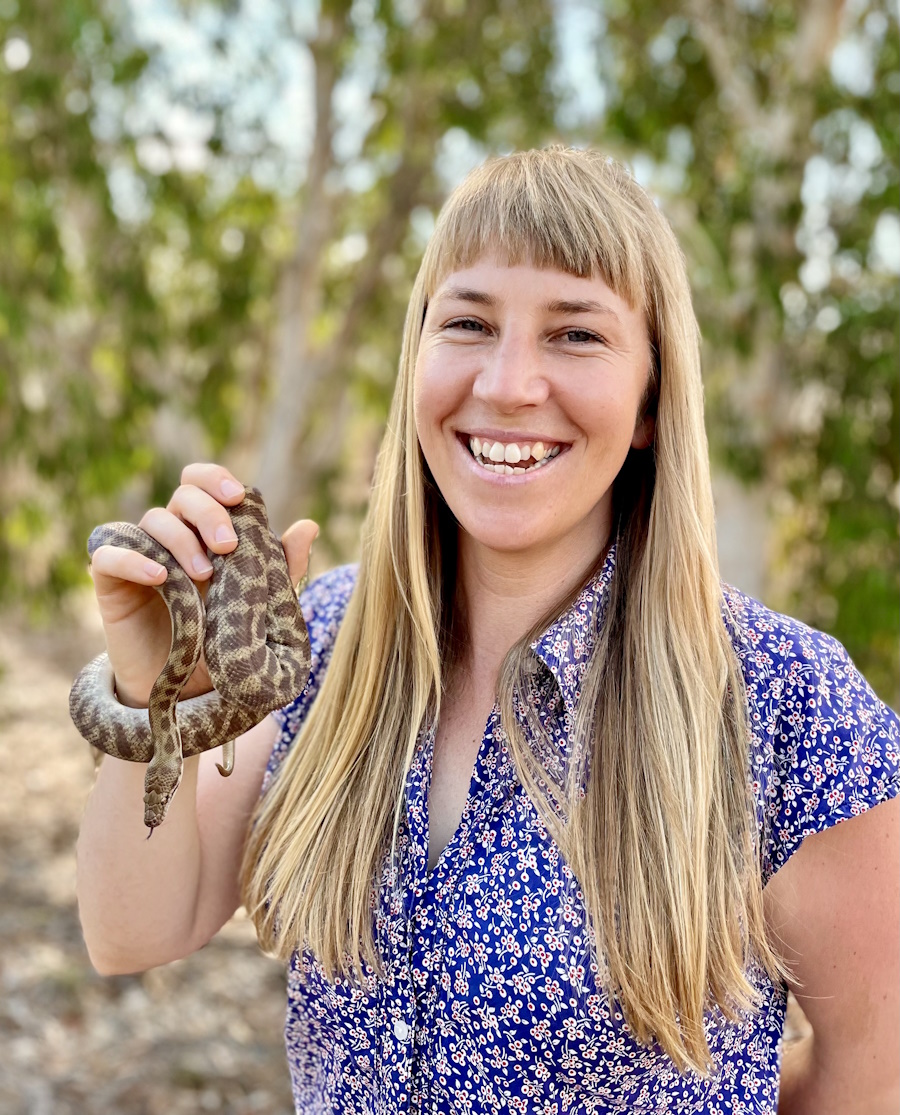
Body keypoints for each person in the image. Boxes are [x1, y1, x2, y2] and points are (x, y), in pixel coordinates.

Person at [76, 147, 899, 1114]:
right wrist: (162, 689)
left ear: (649, 401)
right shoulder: (319, 640)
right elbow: (131, 931)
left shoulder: (786, 701)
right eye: (467, 322)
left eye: (576, 335)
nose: (509, 384)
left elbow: (873, 1071)